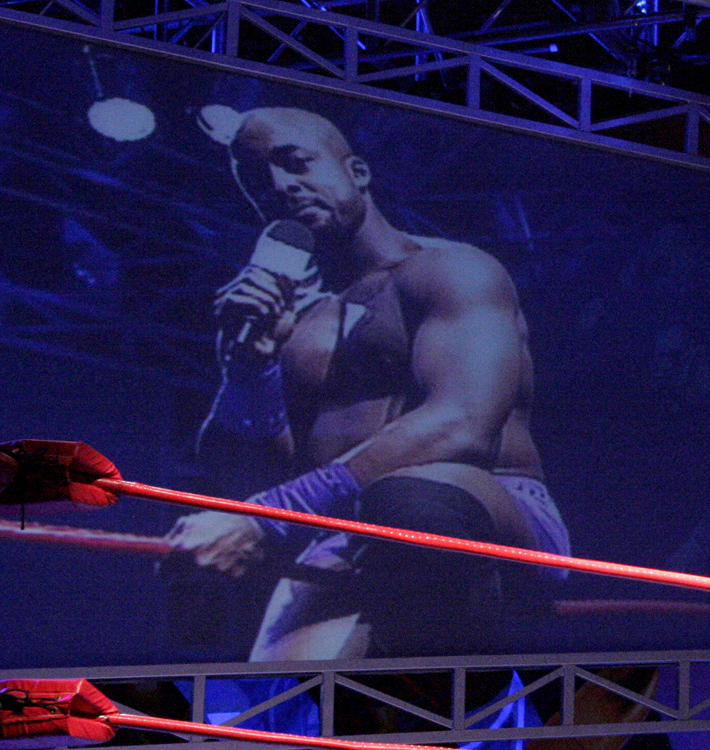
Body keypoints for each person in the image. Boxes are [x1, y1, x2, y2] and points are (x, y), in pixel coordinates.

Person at [164, 107, 568, 661]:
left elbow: (462, 427)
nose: (281, 187)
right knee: (275, 712)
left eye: (295, 163)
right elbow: (245, 473)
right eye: (260, 182)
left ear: (356, 172)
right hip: (344, 530)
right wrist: (248, 368)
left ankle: (467, 711)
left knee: (411, 498)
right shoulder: (300, 323)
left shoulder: (449, 270)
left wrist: (266, 518)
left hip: (482, 508)